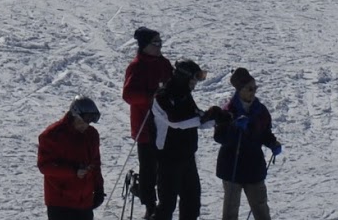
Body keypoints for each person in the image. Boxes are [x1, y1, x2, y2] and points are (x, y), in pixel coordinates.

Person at [148, 60, 221, 220]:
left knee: (192, 203)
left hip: (187, 157)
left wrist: (217, 119)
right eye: (194, 79)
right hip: (168, 158)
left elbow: (196, 117)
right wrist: (203, 118)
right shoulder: (162, 96)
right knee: (167, 205)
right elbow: (176, 121)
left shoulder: (185, 95)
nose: (195, 84)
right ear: (183, 77)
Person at [210, 68, 282, 220]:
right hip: (232, 167)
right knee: (230, 211)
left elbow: (264, 133)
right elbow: (219, 137)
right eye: (250, 88)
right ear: (240, 90)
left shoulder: (261, 110)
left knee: (261, 208)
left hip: (254, 166)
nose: (253, 91)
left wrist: (272, 143)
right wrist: (234, 127)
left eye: (255, 88)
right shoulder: (228, 111)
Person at [121, 28, 174, 220]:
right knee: (149, 168)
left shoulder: (164, 63)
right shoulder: (136, 67)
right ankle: (150, 205)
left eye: (161, 42)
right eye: (155, 43)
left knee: (164, 167)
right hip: (145, 126)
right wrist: (149, 97)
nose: (160, 46)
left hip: (165, 125)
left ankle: (160, 203)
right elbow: (128, 95)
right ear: (144, 46)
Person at [37, 96, 106, 220]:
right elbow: (45, 166)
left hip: (84, 201)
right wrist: (73, 171)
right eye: (84, 120)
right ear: (74, 115)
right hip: (60, 203)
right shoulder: (52, 135)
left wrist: (99, 189)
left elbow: (95, 164)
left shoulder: (92, 135)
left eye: (90, 121)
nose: (86, 125)